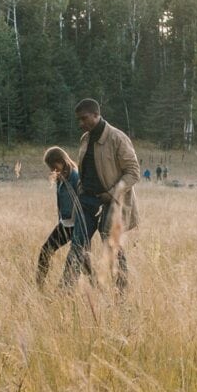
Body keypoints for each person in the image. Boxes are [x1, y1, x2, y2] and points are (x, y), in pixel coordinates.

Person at [63, 98, 141, 292]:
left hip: (111, 202)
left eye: (84, 118)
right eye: (78, 120)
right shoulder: (86, 139)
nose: (81, 124)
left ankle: (121, 292)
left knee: (113, 247)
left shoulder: (117, 138)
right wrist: (81, 189)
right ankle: (64, 291)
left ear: (96, 115)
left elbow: (133, 172)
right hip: (87, 201)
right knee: (77, 246)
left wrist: (112, 193)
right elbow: (85, 169)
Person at [36, 146, 80, 289]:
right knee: (45, 252)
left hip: (75, 226)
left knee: (80, 261)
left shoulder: (75, 177)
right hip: (65, 224)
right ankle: (39, 288)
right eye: (51, 168)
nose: (52, 171)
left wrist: (79, 229)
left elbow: (81, 202)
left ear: (62, 161)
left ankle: (68, 289)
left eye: (54, 167)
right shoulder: (61, 178)